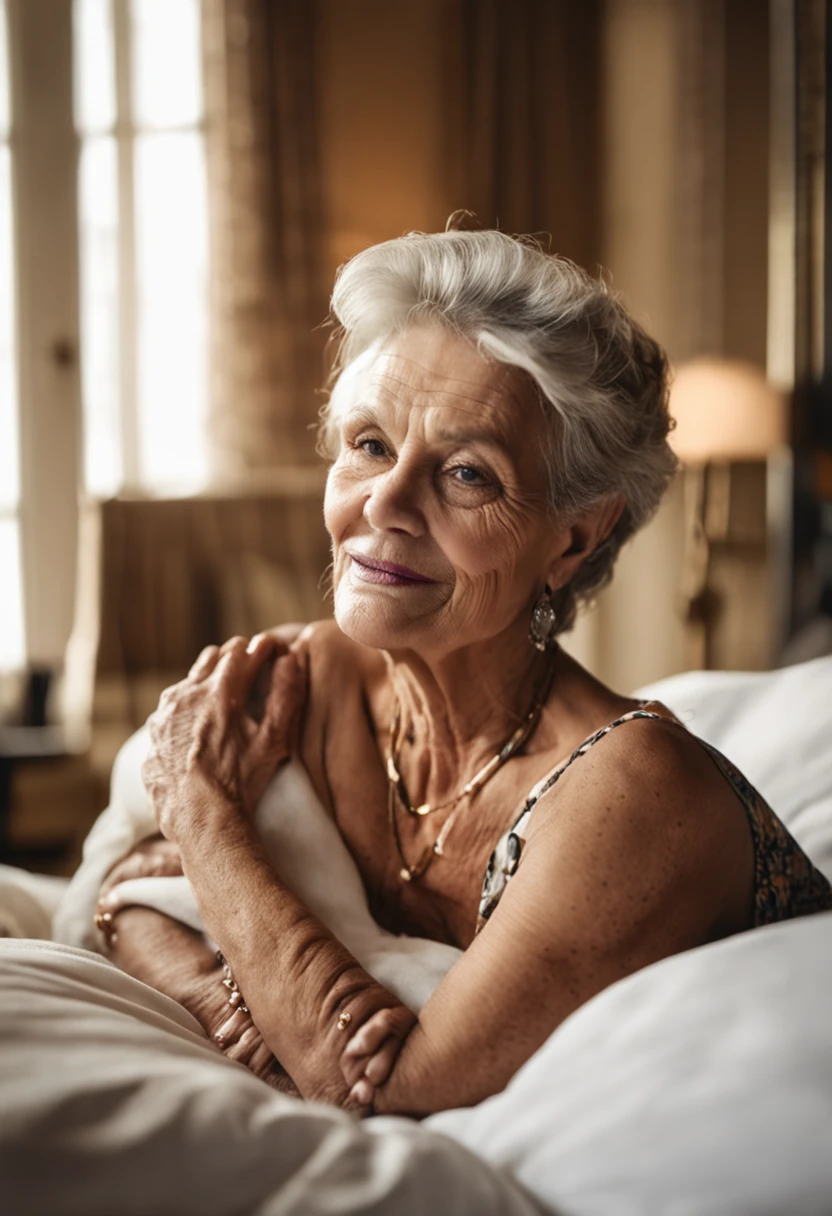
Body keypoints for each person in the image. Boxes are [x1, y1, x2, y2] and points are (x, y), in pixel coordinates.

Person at [94, 226, 832, 1118]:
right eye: (368, 443)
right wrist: (227, 1001)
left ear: (575, 536)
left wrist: (205, 818)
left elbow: (393, 1093)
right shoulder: (309, 679)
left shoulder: (635, 790)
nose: (387, 504)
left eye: (467, 474)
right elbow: (123, 886)